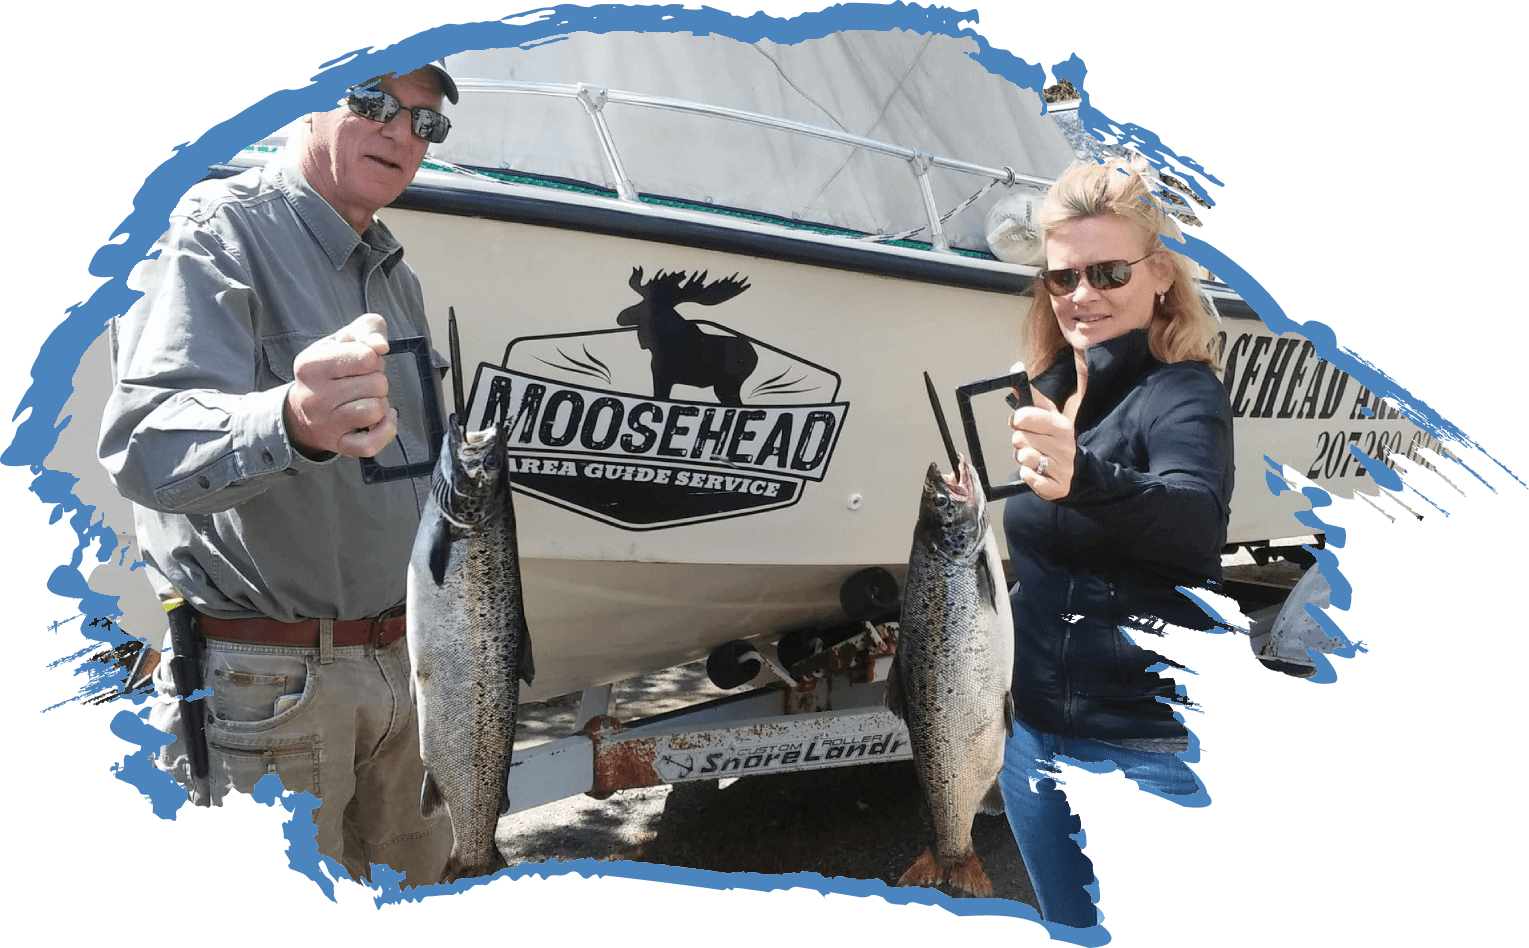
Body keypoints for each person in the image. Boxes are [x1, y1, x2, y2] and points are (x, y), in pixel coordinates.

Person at [98, 63, 463, 887]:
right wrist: (291, 421)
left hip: (408, 670)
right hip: (272, 687)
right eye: (374, 104)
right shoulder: (220, 226)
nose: (402, 133)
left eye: (426, 124)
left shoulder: (392, 271)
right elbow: (143, 447)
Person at [998, 154, 1234, 928]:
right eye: (1062, 278)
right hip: (1033, 744)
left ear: (1158, 273)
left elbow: (1193, 518)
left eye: (1107, 273)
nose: (1081, 296)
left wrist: (1084, 478)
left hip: (1148, 748)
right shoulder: (1050, 390)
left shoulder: (1184, 390)